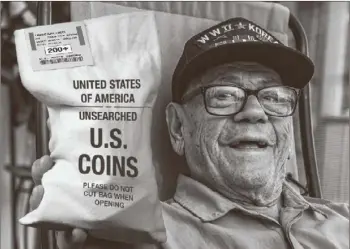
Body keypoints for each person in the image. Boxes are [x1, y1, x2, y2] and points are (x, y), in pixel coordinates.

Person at [29, 17, 349, 249]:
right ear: (179, 127)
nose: (254, 112)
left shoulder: (341, 219)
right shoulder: (147, 235)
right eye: (224, 95)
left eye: (274, 98)